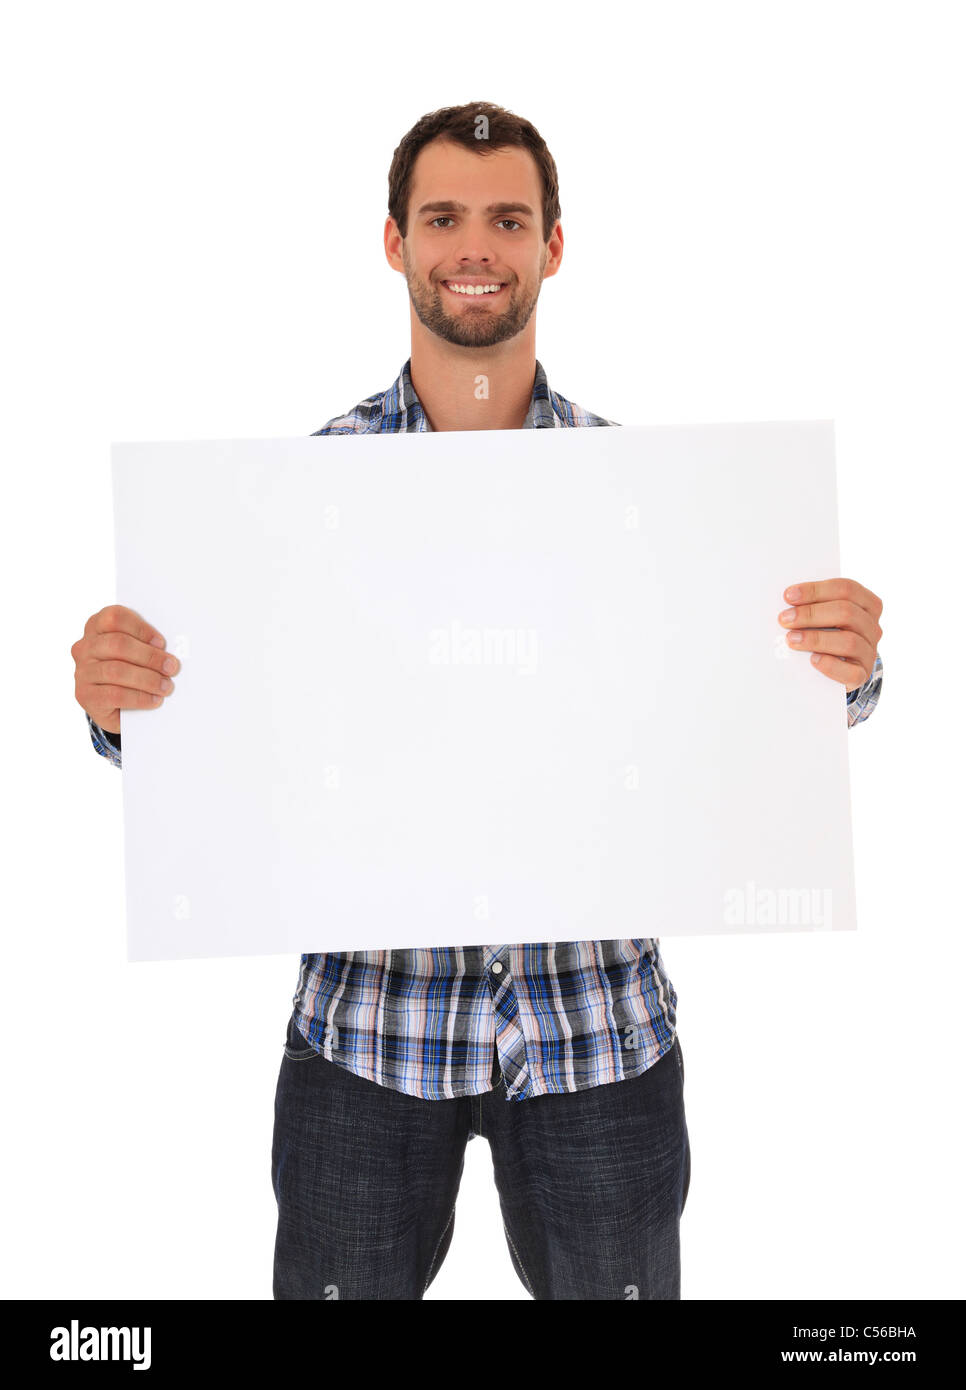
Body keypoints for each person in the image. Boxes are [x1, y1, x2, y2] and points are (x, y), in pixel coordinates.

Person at [72, 101, 885, 1300]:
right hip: (366, 1036)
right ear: (394, 241)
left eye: (508, 219)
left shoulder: (650, 496)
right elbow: (213, 734)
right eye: (443, 216)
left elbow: (760, 708)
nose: (475, 246)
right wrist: (116, 699)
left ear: (553, 247)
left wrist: (849, 667)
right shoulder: (288, 498)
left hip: (597, 1030)